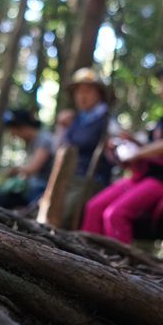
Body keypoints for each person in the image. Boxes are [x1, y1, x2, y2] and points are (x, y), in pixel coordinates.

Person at [81, 65, 163, 244]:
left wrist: (138, 153)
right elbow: (153, 146)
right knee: (94, 207)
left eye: (162, 84)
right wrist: (131, 142)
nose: (159, 90)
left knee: (116, 214)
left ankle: (118, 268)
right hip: (146, 176)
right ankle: (86, 258)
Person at [60, 67, 114, 229]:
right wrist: (60, 127)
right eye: (78, 91)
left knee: (65, 216)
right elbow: (61, 149)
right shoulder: (75, 120)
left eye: (88, 91)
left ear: (99, 93)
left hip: (91, 180)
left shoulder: (107, 121)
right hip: (68, 179)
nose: (82, 96)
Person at [0, 109, 55, 209]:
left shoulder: (44, 139)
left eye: (14, 131)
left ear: (22, 126)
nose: (13, 135)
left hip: (38, 193)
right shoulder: (32, 143)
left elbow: (32, 168)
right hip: (31, 190)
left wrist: (14, 170)